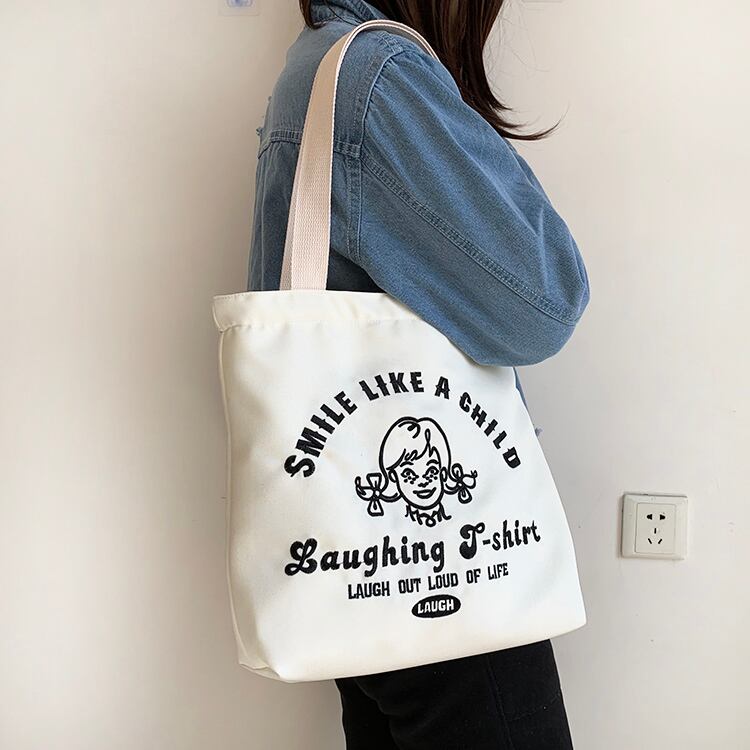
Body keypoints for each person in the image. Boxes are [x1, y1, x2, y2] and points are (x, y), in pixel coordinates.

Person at [247, 1, 590, 747]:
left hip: (364, 563)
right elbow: (546, 302)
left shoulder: (323, 60)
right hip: (453, 578)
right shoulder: (380, 77)